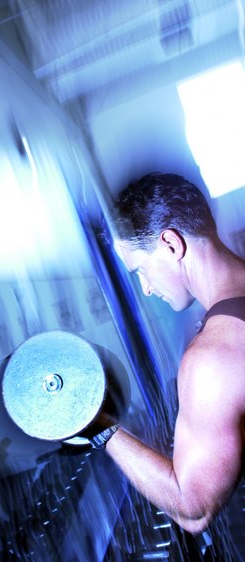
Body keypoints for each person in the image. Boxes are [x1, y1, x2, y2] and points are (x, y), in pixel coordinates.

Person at [96, 172, 245, 535]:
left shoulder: (214, 357)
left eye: (141, 270)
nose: (145, 288)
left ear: (171, 245)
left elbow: (193, 509)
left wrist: (97, 426)